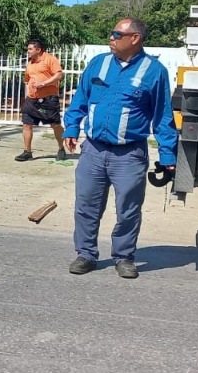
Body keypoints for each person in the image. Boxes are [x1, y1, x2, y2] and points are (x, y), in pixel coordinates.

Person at [61, 18, 177, 279]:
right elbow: (80, 98)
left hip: (130, 155)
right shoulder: (98, 64)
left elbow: (162, 116)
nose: (110, 38)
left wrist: (168, 155)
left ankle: (124, 256)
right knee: (86, 205)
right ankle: (86, 254)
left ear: (134, 38)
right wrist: (71, 127)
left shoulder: (154, 71)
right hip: (93, 150)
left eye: (116, 34)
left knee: (128, 209)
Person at [16, 38, 67, 161]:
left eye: (30, 49)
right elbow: (28, 79)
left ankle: (61, 148)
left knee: (55, 125)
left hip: (48, 100)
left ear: (38, 49)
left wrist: (44, 84)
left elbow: (59, 75)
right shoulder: (30, 63)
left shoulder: (50, 59)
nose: (28, 51)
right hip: (32, 99)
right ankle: (27, 151)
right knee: (27, 124)